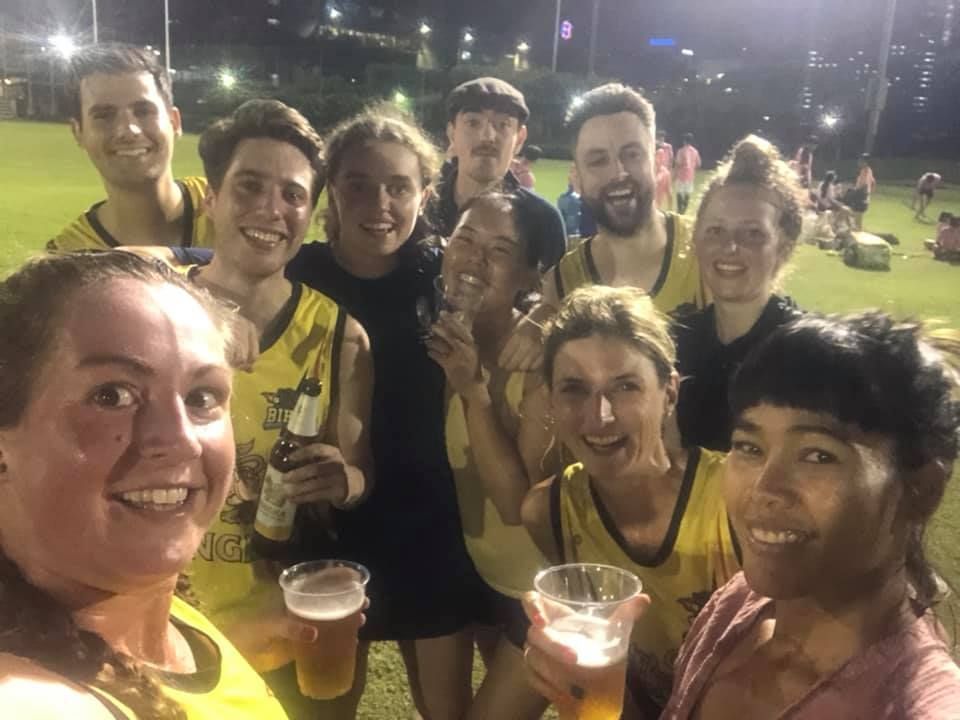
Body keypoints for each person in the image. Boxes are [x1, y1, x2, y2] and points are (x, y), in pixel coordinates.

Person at [0, 250, 288, 719]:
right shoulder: (30, 697)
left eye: (202, 397)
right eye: (111, 395)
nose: (179, 440)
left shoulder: (150, 615)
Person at [284, 106, 488, 720]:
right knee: (326, 702)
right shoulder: (297, 274)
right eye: (359, 185)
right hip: (328, 518)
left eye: (399, 186)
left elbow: (524, 288)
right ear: (331, 193)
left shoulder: (441, 276)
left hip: (431, 521)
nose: (381, 203)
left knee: (443, 710)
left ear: (424, 194)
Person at [660, 312, 960, 718]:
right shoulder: (737, 606)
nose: (765, 489)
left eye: (818, 456)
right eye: (750, 447)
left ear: (921, 490)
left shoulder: (919, 705)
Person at [182, 99, 374, 719]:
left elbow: (358, 473)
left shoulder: (339, 334)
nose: (272, 209)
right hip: (165, 615)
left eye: (292, 195)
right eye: (249, 186)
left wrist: (344, 481)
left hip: (285, 625)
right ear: (211, 196)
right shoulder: (153, 306)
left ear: (311, 214)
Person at [521, 286, 741, 714]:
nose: (599, 415)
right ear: (550, 399)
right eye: (574, 389)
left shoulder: (735, 498)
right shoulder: (549, 512)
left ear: (670, 392)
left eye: (625, 386)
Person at [426, 193, 560, 719]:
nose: (474, 259)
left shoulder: (537, 367)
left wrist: (472, 389)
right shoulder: (439, 336)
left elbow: (516, 505)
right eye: (465, 238)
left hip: (540, 593)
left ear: (529, 275)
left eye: (500, 250)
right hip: (482, 582)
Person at [499, 83, 705, 372]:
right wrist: (536, 322)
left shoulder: (707, 253)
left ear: (658, 162)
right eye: (598, 160)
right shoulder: (563, 283)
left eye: (632, 154)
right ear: (577, 177)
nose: (618, 173)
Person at [673, 135, 806, 452]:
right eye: (716, 230)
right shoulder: (674, 342)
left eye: (753, 233)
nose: (730, 247)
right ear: (696, 241)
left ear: (783, 246)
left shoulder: (807, 354)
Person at [48, 43, 214, 253]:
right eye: (104, 116)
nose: (128, 130)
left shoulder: (236, 208)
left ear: (174, 122)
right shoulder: (68, 258)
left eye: (143, 111)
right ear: (78, 132)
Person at [425, 77, 567, 269]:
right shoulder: (423, 206)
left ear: (520, 139)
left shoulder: (542, 221)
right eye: (473, 123)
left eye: (503, 124)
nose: (487, 136)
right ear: (452, 134)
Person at [674, 133, 702, 214]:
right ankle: (684, 210)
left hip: (681, 175)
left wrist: (675, 174)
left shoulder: (681, 151)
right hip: (690, 176)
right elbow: (699, 164)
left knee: (679, 192)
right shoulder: (695, 151)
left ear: (684, 141)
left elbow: (678, 163)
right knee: (687, 193)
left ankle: (679, 210)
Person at [556, 165, 583, 244]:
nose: (570, 175)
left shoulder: (593, 200)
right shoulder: (564, 200)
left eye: (575, 174)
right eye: (571, 172)